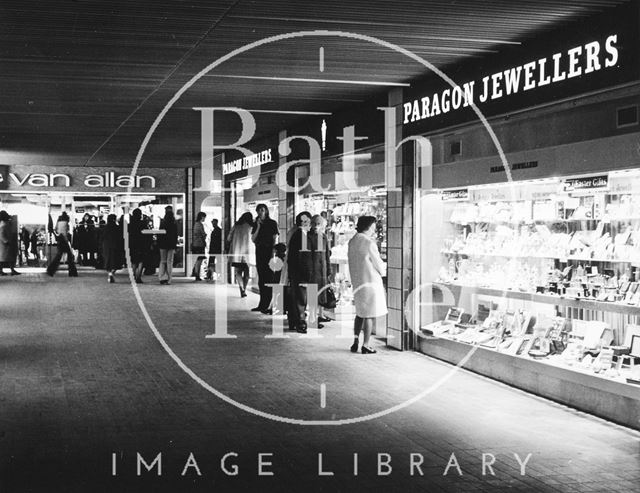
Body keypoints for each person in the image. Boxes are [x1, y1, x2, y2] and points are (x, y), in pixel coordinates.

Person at [347, 215, 387, 354]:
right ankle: (366, 344)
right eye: (374, 226)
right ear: (369, 226)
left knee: (359, 314)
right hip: (371, 282)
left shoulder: (352, 241)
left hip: (358, 281)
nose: (375, 229)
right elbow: (378, 264)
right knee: (370, 315)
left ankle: (355, 342)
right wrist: (384, 271)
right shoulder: (369, 243)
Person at [287, 211, 331, 333]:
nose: (316, 226)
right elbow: (292, 257)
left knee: (313, 299)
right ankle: (301, 323)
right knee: (301, 299)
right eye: (314, 223)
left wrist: (328, 272)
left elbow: (326, 256)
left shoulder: (323, 237)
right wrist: (293, 274)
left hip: (317, 273)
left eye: (319, 224)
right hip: (302, 274)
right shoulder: (300, 235)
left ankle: (312, 320)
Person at [251, 204, 279, 314]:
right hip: (259, 252)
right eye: (259, 210)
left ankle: (269, 304)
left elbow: (274, 238)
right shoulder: (256, 223)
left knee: (269, 278)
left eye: (262, 210)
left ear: (266, 211)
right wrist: (258, 226)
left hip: (269, 252)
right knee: (261, 278)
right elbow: (253, 239)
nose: (260, 212)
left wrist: (273, 253)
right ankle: (262, 304)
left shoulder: (272, 223)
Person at [227, 212, 254, 298]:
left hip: (237, 253)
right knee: (247, 274)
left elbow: (228, 238)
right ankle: (244, 290)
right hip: (248, 254)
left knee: (238, 272)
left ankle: (241, 289)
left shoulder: (236, 226)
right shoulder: (251, 227)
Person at [46, 211, 77, 277]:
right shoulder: (65, 223)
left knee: (59, 256)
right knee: (69, 256)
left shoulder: (59, 222)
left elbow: (57, 230)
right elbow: (65, 233)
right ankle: (72, 272)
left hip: (60, 239)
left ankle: (51, 270)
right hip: (63, 240)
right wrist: (67, 241)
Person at [157, 205, 178, 285]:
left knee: (162, 261)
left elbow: (160, 234)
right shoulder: (174, 224)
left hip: (163, 244)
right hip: (171, 245)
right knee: (170, 262)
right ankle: (169, 279)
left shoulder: (163, 223)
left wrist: (158, 243)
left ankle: (161, 277)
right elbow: (175, 235)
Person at [128, 208, 149, 283]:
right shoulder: (143, 223)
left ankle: (133, 276)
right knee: (141, 261)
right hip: (142, 244)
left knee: (134, 261)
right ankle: (138, 277)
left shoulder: (130, 224)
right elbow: (147, 234)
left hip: (132, 244)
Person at [102, 214, 122, 283]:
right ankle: (112, 273)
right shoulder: (117, 228)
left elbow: (102, 237)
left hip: (106, 246)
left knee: (107, 261)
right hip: (115, 246)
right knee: (116, 262)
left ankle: (109, 273)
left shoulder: (105, 228)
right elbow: (120, 238)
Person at [191, 211, 207, 281]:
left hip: (195, 244)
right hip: (199, 244)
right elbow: (203, 234)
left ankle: (196, 273)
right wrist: (205, 235)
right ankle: (197, 274)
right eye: (204, 217)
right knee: (199, 260)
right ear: (201, 217)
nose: (204, 219)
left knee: (198, 260)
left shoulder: (195, 224)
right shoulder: (200, 225)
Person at [0, 210, 14, 275]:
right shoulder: (3, 224)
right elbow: (1, 234)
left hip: (4, 243)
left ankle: (11, 270)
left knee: (6, 257)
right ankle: (11, 270)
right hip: (4, 244)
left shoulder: (3, 223)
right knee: (4, 258)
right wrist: (6, 241)